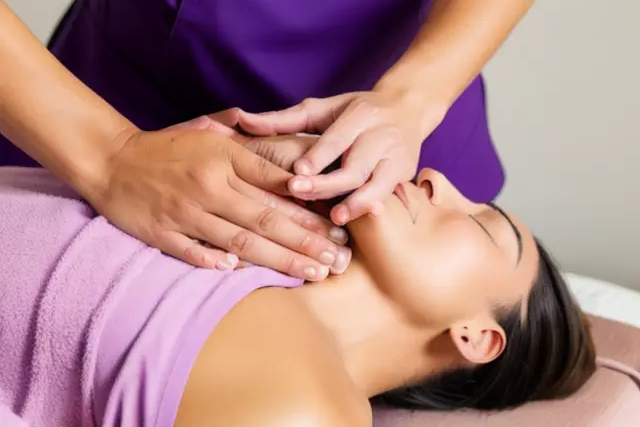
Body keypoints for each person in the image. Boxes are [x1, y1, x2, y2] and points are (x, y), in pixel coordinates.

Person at [0, 0, 538, 273]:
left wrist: (411, 100)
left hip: (392, 127)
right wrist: (109, 157)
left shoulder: (421, 210)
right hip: (96, 111)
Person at [0, 161, 596, 426]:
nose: (436, 179)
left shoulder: (310, 414)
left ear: (475, 336)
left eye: (483, 225)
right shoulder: (238, 218)